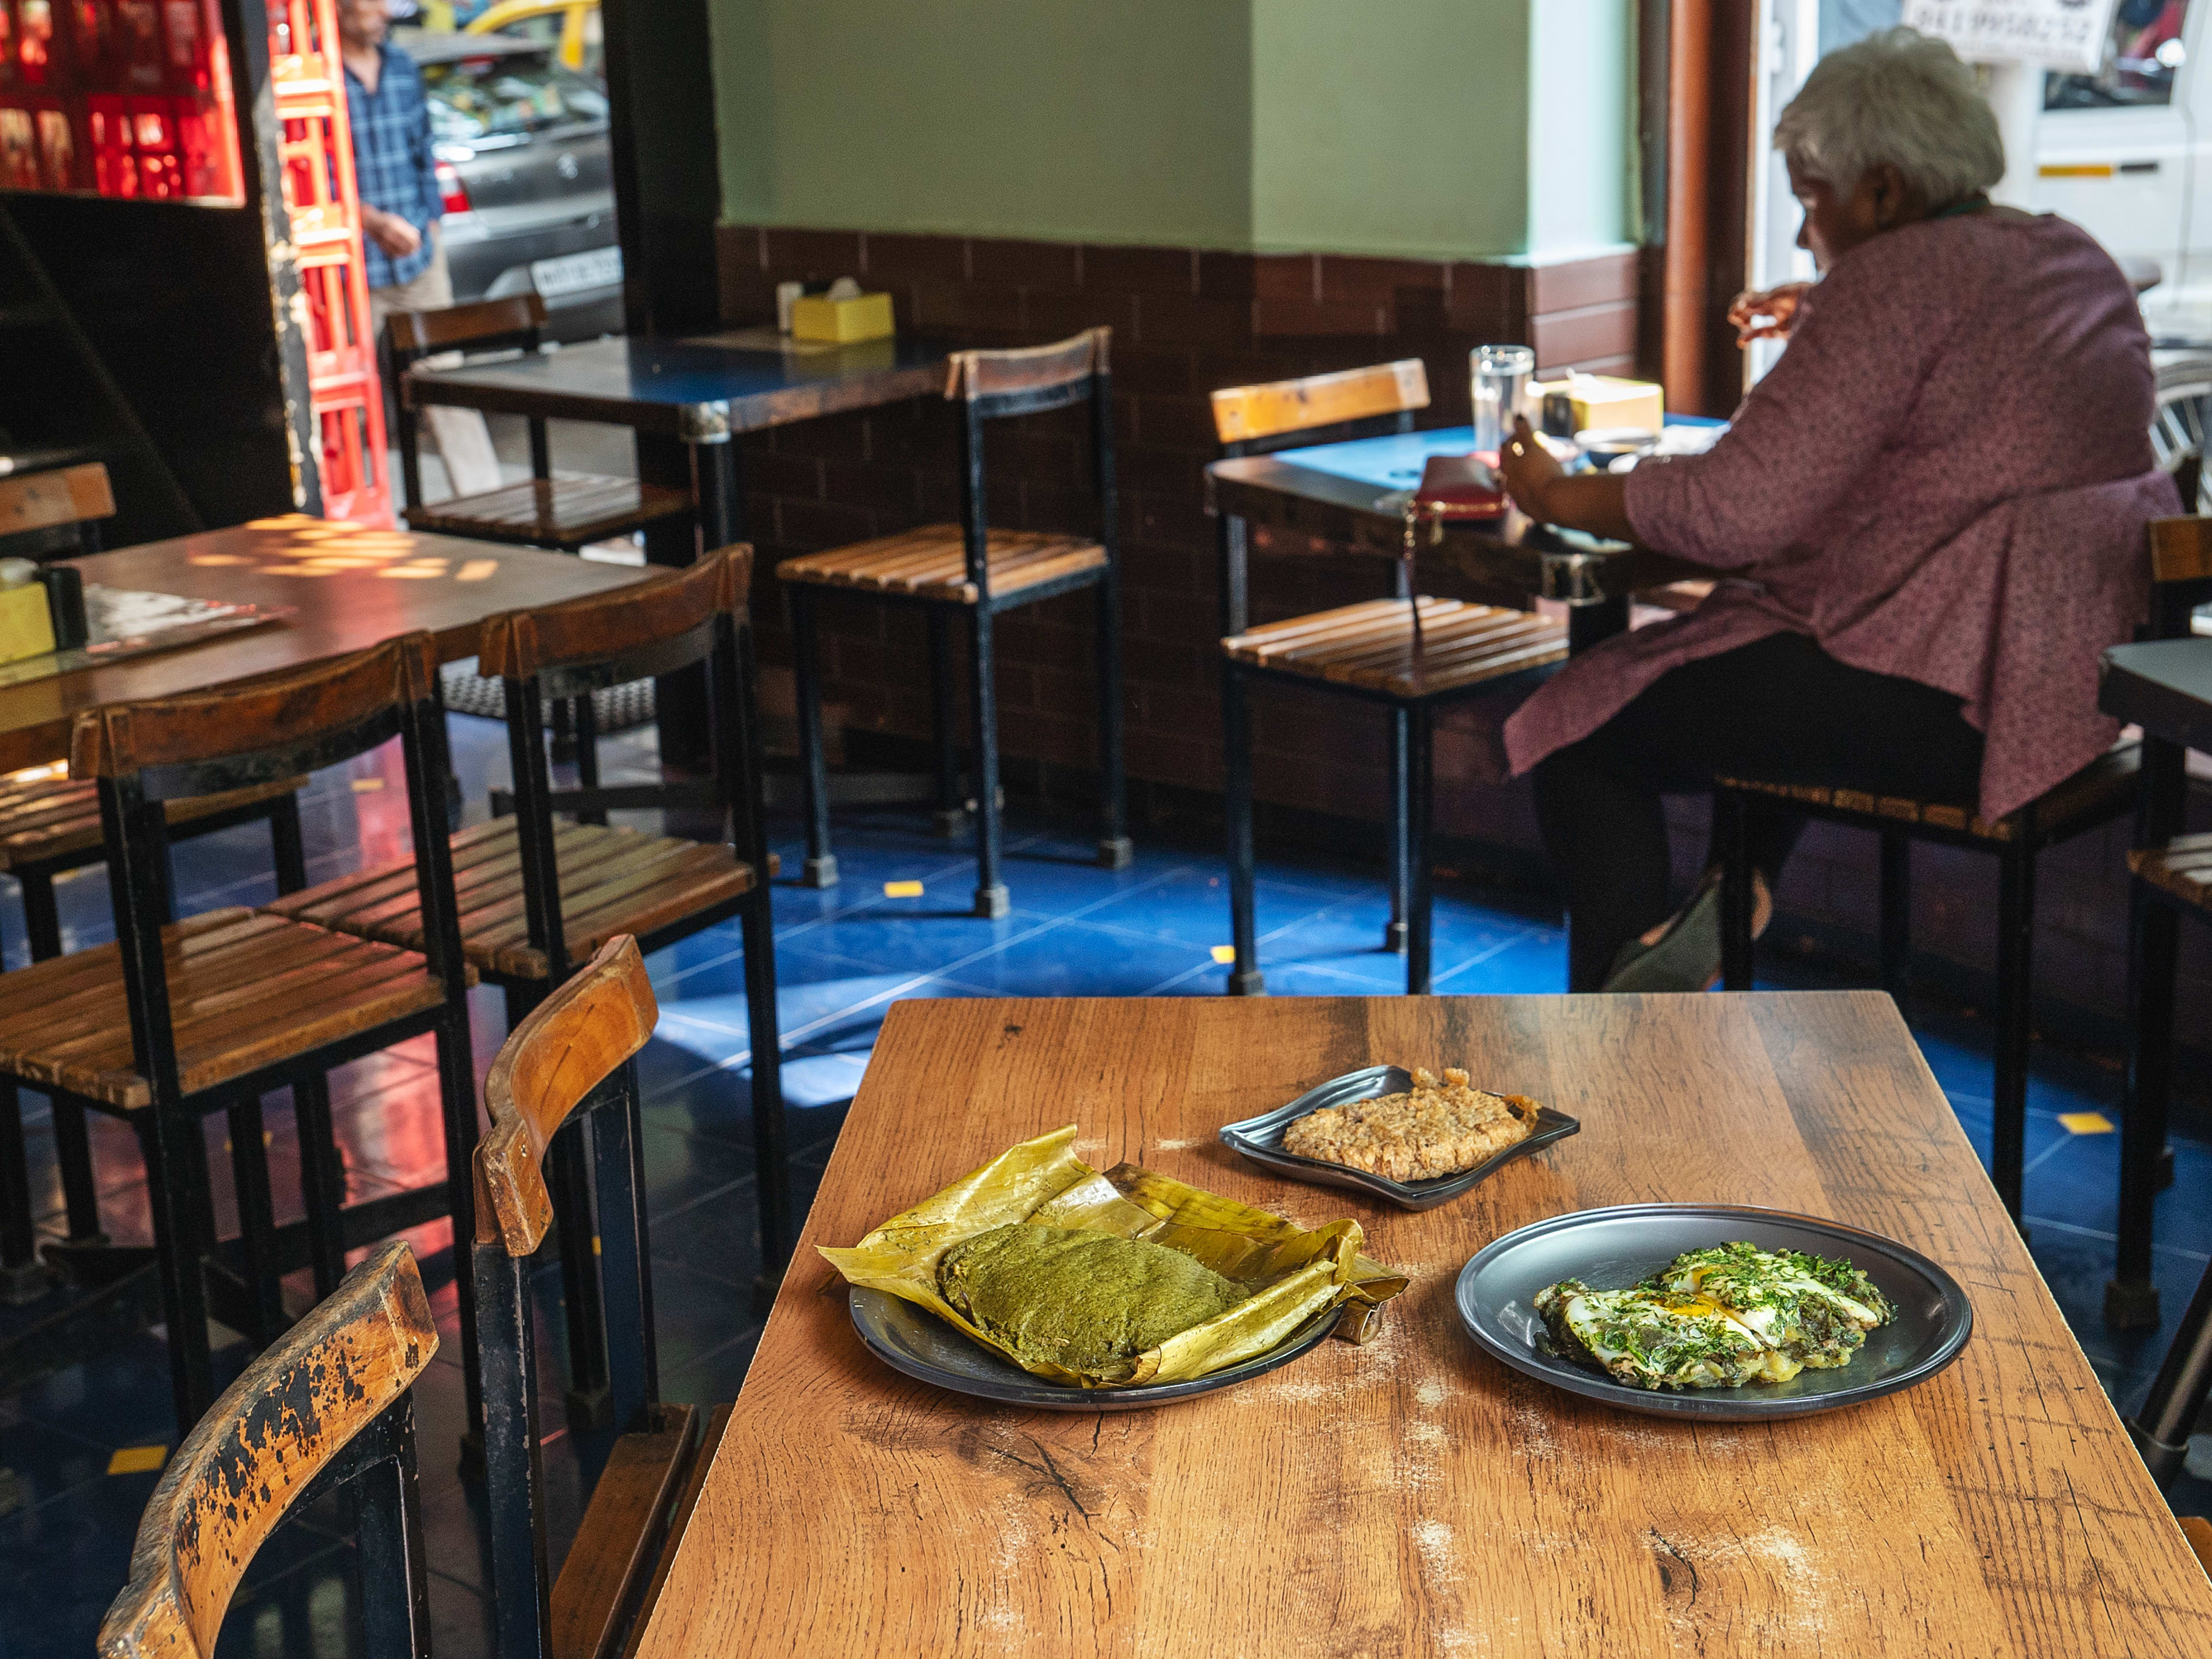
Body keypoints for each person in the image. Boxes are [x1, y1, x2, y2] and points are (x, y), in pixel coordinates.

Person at [1494, 27, 2179, 993]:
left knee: (1579, 729)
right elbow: (1955, 421)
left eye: (1814, 199)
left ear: (1886, 191)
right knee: (1754, 649)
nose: (1806, 232)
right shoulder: (2067, 255)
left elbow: (1736, 512)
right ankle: (1740, 891)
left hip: (1957, 702)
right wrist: (1831, 303)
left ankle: (1626, 1037)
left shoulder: (1896, 281)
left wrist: (1554, 490)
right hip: (2071, 686)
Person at [337, 0, 502, 498]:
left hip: (418, 259)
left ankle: (485, 500)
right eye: (374, 5)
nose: (386, 14)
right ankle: (360, 510)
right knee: (350, 399)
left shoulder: (403, 67)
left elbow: (422, 150)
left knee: (447, 385)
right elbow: (309, 170)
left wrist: (428, 222)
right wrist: (369, 222)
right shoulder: (316, 77)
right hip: (348, 265)